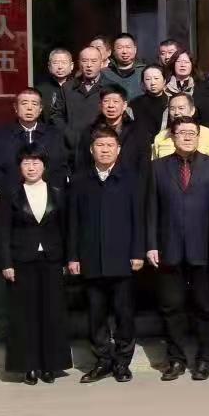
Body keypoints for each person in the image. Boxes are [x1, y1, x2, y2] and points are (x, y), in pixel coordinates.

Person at [145, 116, 209, 382]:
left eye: (192, 133)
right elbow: (151, 209)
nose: (187, 137)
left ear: (199, 137)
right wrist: (151, 245)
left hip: (204, 248)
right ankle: (176, 359)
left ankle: (204, 359)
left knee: (205, 306)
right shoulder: (157, 168)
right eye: (182, 133)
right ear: (172, 137)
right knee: (171, 306)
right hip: (168, 247)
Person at [66, 126, 144, 383]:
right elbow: (73, 222)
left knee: (124, 314)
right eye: (100, 145)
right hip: (91, 258)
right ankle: (102, 360)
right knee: (95, 314)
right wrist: (73, 256)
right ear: (91, 150)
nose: (105, 150)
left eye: (110, 145)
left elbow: (139, 218)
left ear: (118, 150)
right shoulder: (79, 180)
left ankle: (122, 362)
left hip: (123, 258)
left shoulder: (131, 178)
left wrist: (138, 252)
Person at [0, 143, 72, 384]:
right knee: (24, 315)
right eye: (26, 162)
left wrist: (69, 259)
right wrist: (6, 263)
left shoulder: (58, 193)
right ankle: (28, 366)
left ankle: (51, 365)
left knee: (52, 313)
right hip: (21, 260)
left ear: (44, 165)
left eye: (36, 162)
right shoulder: (11, 194)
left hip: (52, 259)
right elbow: (3, 231)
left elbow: (66, 230)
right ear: (20, 166)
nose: (31, 167)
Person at [0, 88, 69, 194]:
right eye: (24, 103)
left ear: (40, 109)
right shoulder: (1, 136)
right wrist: (11, 195)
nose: (29, 108)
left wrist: (53, 194)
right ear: (16, 107)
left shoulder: (54, 135)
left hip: (48, 196)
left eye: (34, 104)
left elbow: (60, 168)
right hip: (12, 197)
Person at [76, 85, 151, 175]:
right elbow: (82, 162)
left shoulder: (138, 132)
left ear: (124, 105)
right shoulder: (90, 131)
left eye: (116, 101)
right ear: (100, 105)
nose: (111, 105)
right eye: (106, 101)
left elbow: (144, 166)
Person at [53, 45, 105, 150]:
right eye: (84, 61)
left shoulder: (110, 87)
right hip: (71, 146)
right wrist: (68, 134)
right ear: (79, 63)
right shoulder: (67, 87)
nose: (89, 65)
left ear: (102, 63)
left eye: (94, 61)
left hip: (101, 144)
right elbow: (57, 116)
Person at [151, 93, 209, 163]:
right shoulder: (161, 136)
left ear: (192, 110)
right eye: (172, 109)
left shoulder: (207, 134)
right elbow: (155, 166)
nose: (176, 112)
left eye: (181, 108)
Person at [99, 32, 144, 101]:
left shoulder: (144, 71)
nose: (124, 51)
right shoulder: (104, 73)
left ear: (135, 50)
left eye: (128, 47)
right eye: (120, 48)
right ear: (114, 51)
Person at [128, 64, 169, 139]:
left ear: (164, 81)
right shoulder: (135, 103)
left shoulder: (171, 102)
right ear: (143, 83)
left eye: (156, 78)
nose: (153, 83)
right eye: (148, 79)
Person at [36, 47, 74, 121]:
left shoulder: (79, 87)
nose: (60, 67)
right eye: (55, 63)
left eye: (64, 63)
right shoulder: (40, 90)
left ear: (71, 66)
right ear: (49, 66)